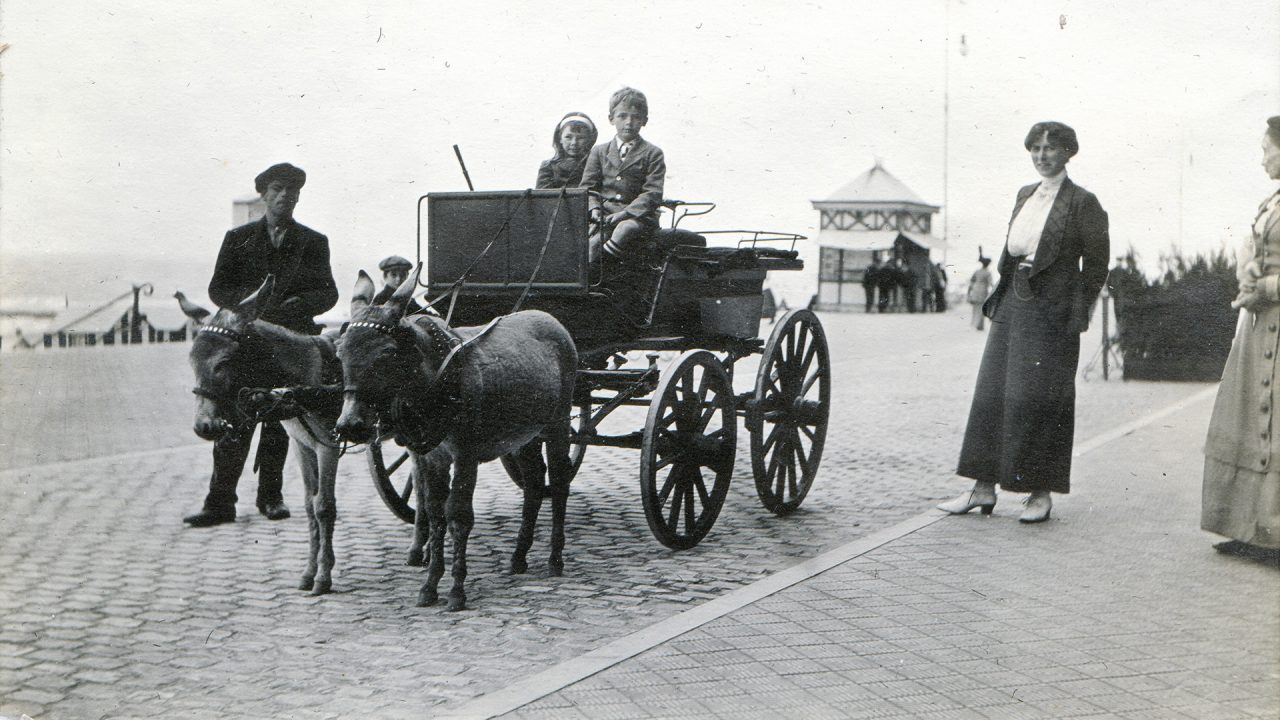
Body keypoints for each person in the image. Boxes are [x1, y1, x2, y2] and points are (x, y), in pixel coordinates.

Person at [938, 121, 1110, 523]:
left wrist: (1076, 310)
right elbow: (1012, 250)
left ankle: (1039, 493)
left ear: (1068, 152)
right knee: (992, 392)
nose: (1041, 155)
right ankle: (982, 488)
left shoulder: (1083, 202)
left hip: (1053, 310)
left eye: (1050, 148)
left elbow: (1096, 265)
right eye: (1035, 148)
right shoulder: (1025, 194)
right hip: (1013, 301)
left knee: (1041, 398)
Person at [184, 162, 338, 528]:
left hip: (289, 347)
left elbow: (328, 292)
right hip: (244, 346)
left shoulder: (314, 242)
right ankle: (220, 502)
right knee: (233, 418)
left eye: (292, 191)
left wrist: (299, 304)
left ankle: (271, 497)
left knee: (279, 424)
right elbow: (217, 289)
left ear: (298, 196)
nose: (285, 196)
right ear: (264, 195)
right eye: (277, 189)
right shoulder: (237, 238)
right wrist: (248, 305)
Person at [1201, 115, 1280, 558]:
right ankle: (1251, 529)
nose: (1262, 158)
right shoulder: (1272, 201)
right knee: (1252, 420)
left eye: (1267, 149)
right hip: (1259, 329)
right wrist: (1248, 276)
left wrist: (1264, 288)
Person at [580, 87, 666, 262]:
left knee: (624, 229)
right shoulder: (599, 151)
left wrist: (625, 213)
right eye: (622, 116)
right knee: (593, 244)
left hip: (639, 217)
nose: (629, 122)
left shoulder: (653, 153)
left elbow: (652, 192)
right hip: (605, 217)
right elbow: (588, 188)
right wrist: (594, 209)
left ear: (644, 120)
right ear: (611, 118)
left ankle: (608, 266)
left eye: (636, 117)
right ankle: (597, 277)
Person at [536, 112, 598, 190]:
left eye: (580, 138)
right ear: (560, 138)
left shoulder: (596, 164)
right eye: (568, 137)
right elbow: (542, 195)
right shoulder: (549, 166)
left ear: (589, 140)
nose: (574, 143)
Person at [967, 255, 994, 330]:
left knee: (975, 308)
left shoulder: (977, 271)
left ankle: (974, 323)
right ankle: (979, 325)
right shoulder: (988, 272)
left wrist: (969, 292)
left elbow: (971, 281)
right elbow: (991, 283)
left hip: (975, 289)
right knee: (981, 308)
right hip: (983, 290)